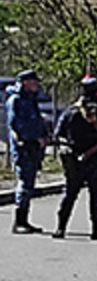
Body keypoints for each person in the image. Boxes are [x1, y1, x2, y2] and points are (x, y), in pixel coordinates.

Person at [51, 77, 97, 240]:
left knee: (70, 194)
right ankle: (96, 229)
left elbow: (58, 133)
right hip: (94, 158)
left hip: (74, 159)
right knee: (96, 195)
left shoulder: (71, 110)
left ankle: (60, 228)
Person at [6, 70, 49, 234]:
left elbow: (37, 121)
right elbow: (17, 126)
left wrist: (44, 136)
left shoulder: (30, 101)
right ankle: (19, 221)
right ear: (25, 82)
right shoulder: (16, 101)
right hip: (24, 147)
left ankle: (25, 220)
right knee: (24, 182)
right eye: (33, 82)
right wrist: (32, 139)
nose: (36, 85)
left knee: (30, 182)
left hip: (34, 147)